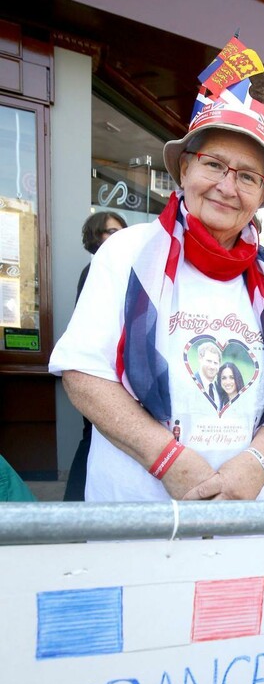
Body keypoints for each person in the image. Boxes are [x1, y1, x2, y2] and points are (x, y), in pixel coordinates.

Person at [49, 61, 264, 684]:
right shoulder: (128, 250)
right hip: (141, 516)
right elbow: (83, 374)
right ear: (185, 169)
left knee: (219, 662)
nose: (227, 186)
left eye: (247, 175)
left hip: (240, 524)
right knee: (135, 659)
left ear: (263, 194)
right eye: (214, 165)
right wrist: (176, 463)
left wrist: (255, 464)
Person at [63, 211, 128, 502]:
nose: (118, 237)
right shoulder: (95, 271)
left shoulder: (116, 267)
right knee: (93, 438)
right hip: (99, 374)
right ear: (95, 236)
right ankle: (75, 508)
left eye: (121, 231)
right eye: (110, 232)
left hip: (109, 372)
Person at [193, 342, 222, 407]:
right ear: (200, 359)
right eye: (209, 361)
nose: (212, 367)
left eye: (215, 363)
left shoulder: (220, 389)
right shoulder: (191, 384)